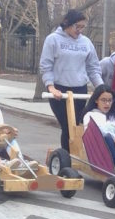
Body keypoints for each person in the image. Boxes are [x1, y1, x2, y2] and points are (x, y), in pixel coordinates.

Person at [40, 9, 103, 149]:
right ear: (67, 23)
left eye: (82, 27)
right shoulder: (53, 39)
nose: (80, 30)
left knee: (79, 126)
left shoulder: (86, 42)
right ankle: (67, 160)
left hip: (79, 88)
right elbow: (46, 66)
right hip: (59, 90)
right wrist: (50, 86)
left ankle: (78, 156)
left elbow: (93, 67)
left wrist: (101, 88)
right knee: (68, 127)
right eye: (77, 26)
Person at [82, 86, 115, 172]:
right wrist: (114, 137)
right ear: (96, 100)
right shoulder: (90, 115)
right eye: (103, 100)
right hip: (96, 150)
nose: (107, 104)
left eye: (109, 100)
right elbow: (98, 131)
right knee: (107, 137)